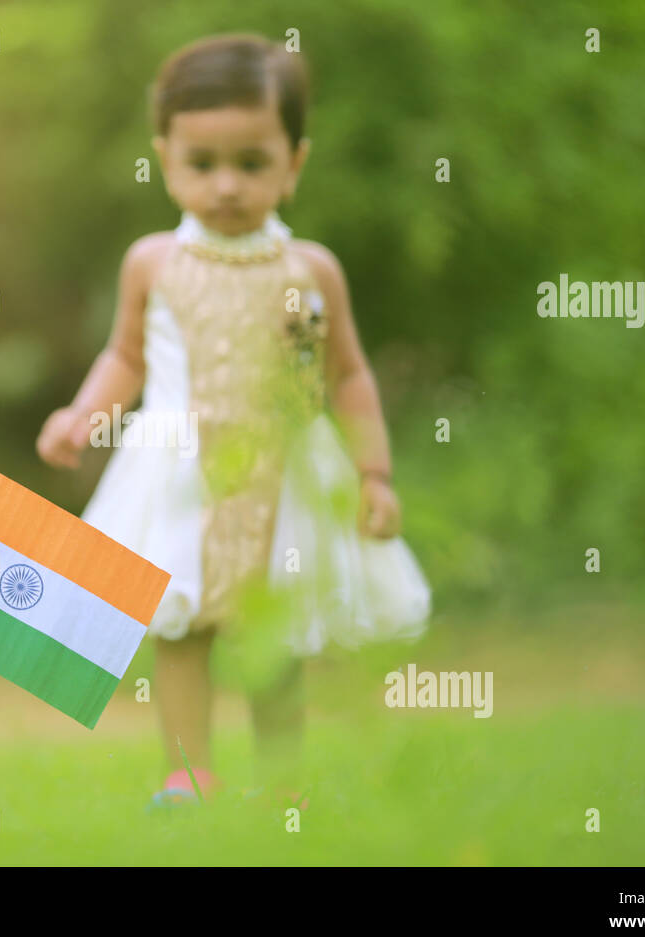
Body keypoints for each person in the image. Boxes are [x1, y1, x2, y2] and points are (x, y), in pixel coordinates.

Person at [36, 33, 430, 810]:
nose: (225, 187)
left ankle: (283, 784)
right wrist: (86, 416)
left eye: (251, 163)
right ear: (165, 158)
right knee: (180, 625)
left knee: (275, 631)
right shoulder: (151, 261)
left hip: (284, 469)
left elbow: (347, 373)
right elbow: (125, 358)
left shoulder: (310, 270)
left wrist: (374, 472)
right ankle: (188, 774)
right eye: (202, 163)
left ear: (294, 163)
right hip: (179, 466)